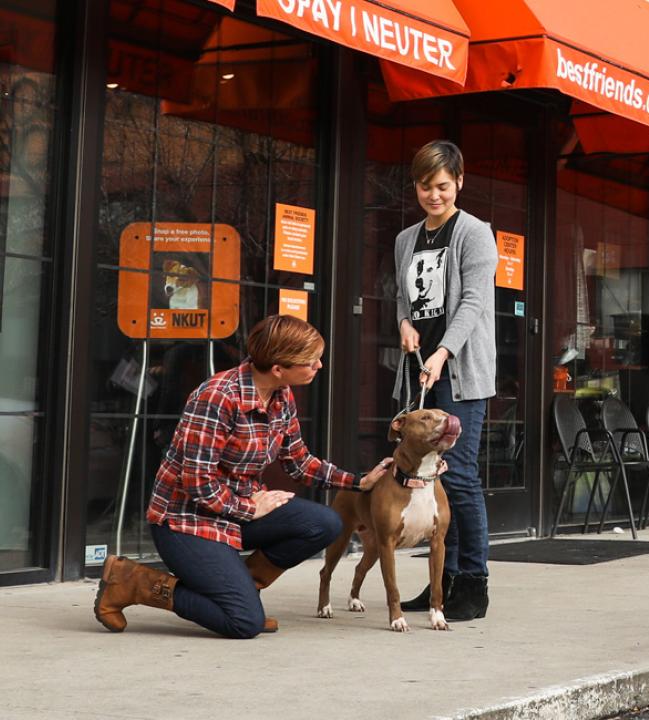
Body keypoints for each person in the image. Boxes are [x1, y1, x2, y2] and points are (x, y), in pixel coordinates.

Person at [94, 315, 391, 639]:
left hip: (236, 511)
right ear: (278, 367)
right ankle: (132, 582)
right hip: (187, 521)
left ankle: (241, 590)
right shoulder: (218, 396)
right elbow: (197, 482)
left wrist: (358, 482)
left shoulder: (280, 395)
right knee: (243, 623)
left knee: (325, 523)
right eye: (311, 361)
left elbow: (298, 462)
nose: (319, 365)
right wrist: (250, 509)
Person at [393, 140, 498, 621]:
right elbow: (403, 296)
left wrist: (442, 351)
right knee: (426, 482)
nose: (433, 195)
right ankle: (441, 581)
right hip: (420, 372)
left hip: (458, 373)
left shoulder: (474, 234)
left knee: (459, 480)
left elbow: (474, 303)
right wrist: (405, 325)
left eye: (441, 185)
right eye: (424, 186)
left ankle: (472, 584)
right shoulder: (406, 239)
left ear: (459, 181)